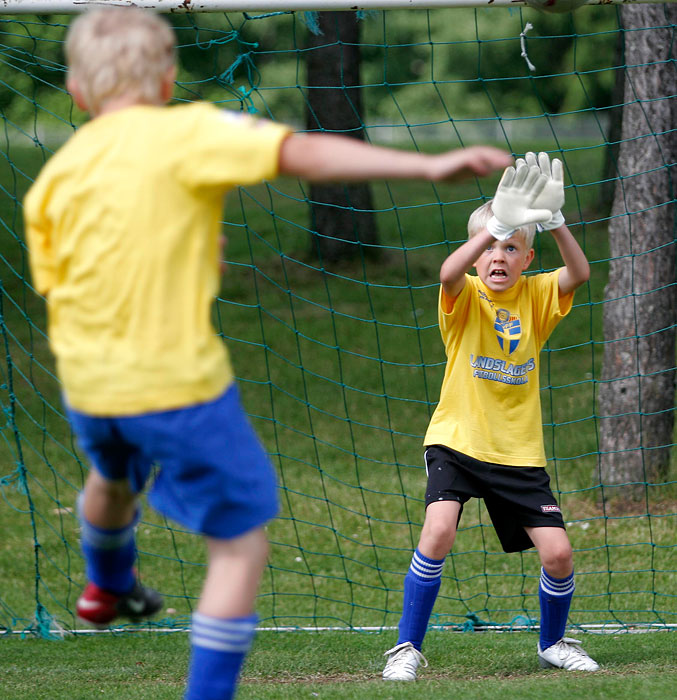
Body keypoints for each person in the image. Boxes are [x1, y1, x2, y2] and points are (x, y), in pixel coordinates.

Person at [22, 7, 512, 700]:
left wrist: (186, 257)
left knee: (110, 474)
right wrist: (429, 165)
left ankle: (105, 583)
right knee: (240, 545)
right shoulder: (185, 130)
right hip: (176, 387)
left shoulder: (53, 181)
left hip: (89, 387)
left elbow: (82, 279)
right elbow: (302, 153)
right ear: (166, 80)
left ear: (76, 90)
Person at [382, 153, 599, 681]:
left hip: (517, 452)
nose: (498, 257)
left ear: (527, 258)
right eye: (491, 248)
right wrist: (494, 226)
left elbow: (580, 272)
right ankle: (406, 649)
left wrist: (556, 222)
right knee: (437, 533)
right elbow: (447, 270)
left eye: (511, 247)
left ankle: (553, 643)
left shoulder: (539, 295)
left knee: (559, 555)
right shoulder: (465, 294)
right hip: (456, 440)